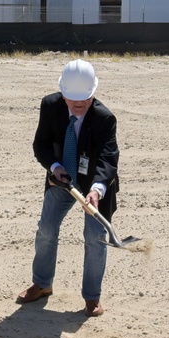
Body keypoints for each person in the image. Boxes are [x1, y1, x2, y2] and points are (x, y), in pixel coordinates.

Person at [17, 59, 119, 317]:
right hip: (61, 178)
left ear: (93, 93)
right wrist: (53, 167)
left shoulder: (105, 118)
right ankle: (42, 284)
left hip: (95, 185)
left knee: (95, 239)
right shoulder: (50, 106)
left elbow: (108, 159)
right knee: (46, 230)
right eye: (72, 99)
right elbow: (40, 145)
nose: (78, 104)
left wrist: (96, 191)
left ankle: (92, 298)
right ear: (62, 93)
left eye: (84, 100)